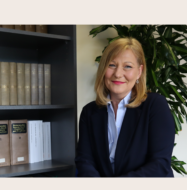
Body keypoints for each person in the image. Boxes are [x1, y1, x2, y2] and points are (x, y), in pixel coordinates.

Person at [75, 37, 175, 177]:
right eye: (111, 65)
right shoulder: (89, 112)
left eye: (127, 66)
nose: (118, 74)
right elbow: (85, 161)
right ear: (103, 69)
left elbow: (160, 164)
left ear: (139, 72)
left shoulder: (155, 106)